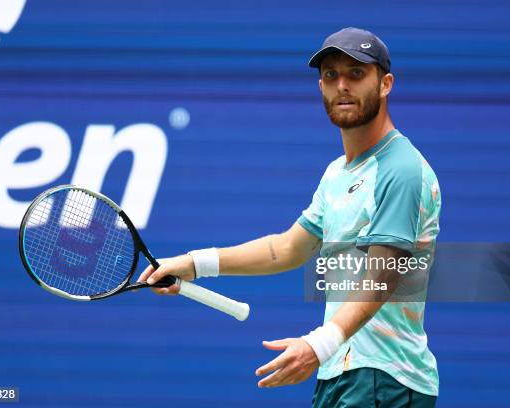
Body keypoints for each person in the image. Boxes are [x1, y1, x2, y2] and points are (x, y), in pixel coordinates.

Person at [139, 27, 441, 407]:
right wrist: (192, 264)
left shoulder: (401, 169)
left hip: (384, 379)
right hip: (344, 372)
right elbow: (285, 249)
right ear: (321, 87)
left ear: (385, 84)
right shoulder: (338, 173)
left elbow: (383, 275)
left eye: (356, 73)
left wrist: (318, 345)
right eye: (331, 75)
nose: (342, 85)